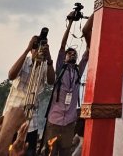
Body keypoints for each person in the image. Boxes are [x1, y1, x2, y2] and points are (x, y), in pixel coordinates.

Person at [0, 33, 55, 156]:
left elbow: (51, 81)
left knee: (27, 152)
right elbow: (11, 75)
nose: (39, 50)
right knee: (5, 151)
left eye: (42, 47)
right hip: (12, 116)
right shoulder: (24, 62)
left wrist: (49, 59)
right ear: (32, 50)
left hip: (31, 120)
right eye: (36, 47)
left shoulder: (44, 66)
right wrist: (27, 49)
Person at [42, 18, 91, 156]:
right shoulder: (60, 69)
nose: (72, 54)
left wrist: (88, 33)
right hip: (54, 121)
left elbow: (87, 52)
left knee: (65, 153)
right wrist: (70, 23)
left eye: (74, 53)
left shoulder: (77, 71)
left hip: (69, 122)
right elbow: (62, 45)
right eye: (69, 53)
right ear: (64, 57)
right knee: (51, 152)